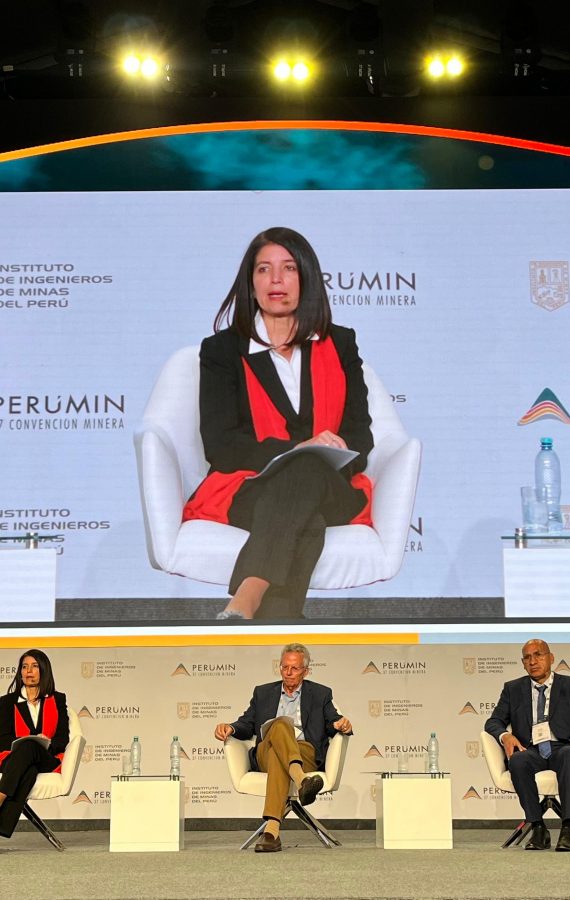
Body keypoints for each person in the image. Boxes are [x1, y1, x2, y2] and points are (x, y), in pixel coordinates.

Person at [182, 226, 374, 620]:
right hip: (251, 489)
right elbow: (220, 445)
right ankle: (282, 623)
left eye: (288, 268)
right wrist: (295, 451)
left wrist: (320, 455)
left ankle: (246, 597)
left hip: (332, 488)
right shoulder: (222, 351)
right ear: (250, 282)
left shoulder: (340, 343)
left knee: (308, 469)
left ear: (306, 279)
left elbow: (361, 436)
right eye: (263, 269)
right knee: (307, 519)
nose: (276, 280)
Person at [214, 642, 352, 852]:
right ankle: (301, 779)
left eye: (294, 668)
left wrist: (341, 724)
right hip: (265, 753)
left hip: (304, 751)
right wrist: (231, 728)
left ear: (306, 671)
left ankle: (271, 832)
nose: (288, 672)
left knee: (278, 754)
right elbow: (247, 723)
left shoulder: (321, 694)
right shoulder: (263, 693)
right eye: (284, 667)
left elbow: (332, 721)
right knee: (279, 725)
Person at [485, 638, 570, 851]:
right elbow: (493, 722)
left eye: (538, 655)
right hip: (531, 750)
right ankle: (538, 827)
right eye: (527, 658)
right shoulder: (512, 689)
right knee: (518, 761)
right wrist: (505, 736)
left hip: (563, 747)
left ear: (551, 658)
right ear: (523, 663)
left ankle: (569, 828)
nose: (533, 661)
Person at [0, 648, 69, 839]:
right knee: (27, 769)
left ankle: (0, 795)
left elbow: (63, 738)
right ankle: (2, 828)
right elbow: (3, 739)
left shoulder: (57, 699)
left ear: (44, 670)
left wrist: (46, 742)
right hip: (13, 758)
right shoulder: (7, 702)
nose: (28, 671)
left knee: (31, 747)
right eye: (24, 667)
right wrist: (22, 743)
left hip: (46, 758)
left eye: (34, 666)